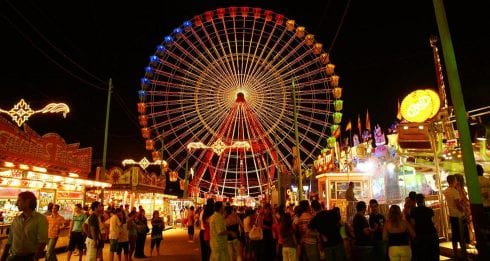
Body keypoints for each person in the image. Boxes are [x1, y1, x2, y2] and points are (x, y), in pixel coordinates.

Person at [1, 191, 48, 261]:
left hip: (29, 257)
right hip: (13, 256)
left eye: (19, 200)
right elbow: (10, 241)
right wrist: (3, 258)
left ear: (27, 201)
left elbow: (42, 241)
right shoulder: (16, 219)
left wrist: (35, 258)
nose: (16, 204)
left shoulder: (40, 219)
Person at [444, 174, 469, 259]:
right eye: (455, 180)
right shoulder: (454, 191)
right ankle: (463, 254)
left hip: (451, 215)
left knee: (454, 236)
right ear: (454, 181)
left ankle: (455, 254)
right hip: (458, 215)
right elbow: (458, 204)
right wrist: (464, 210)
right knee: (462, 236)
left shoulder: (446, 191)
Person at [410, 193, 439, 261]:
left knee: (422, 255)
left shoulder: (413, 211)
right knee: (433, 254)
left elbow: (413, 224)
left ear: (416, 201)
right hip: (431, 233)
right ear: (423, 200)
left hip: (420, 234)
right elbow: (433, 222)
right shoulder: (429, 210)